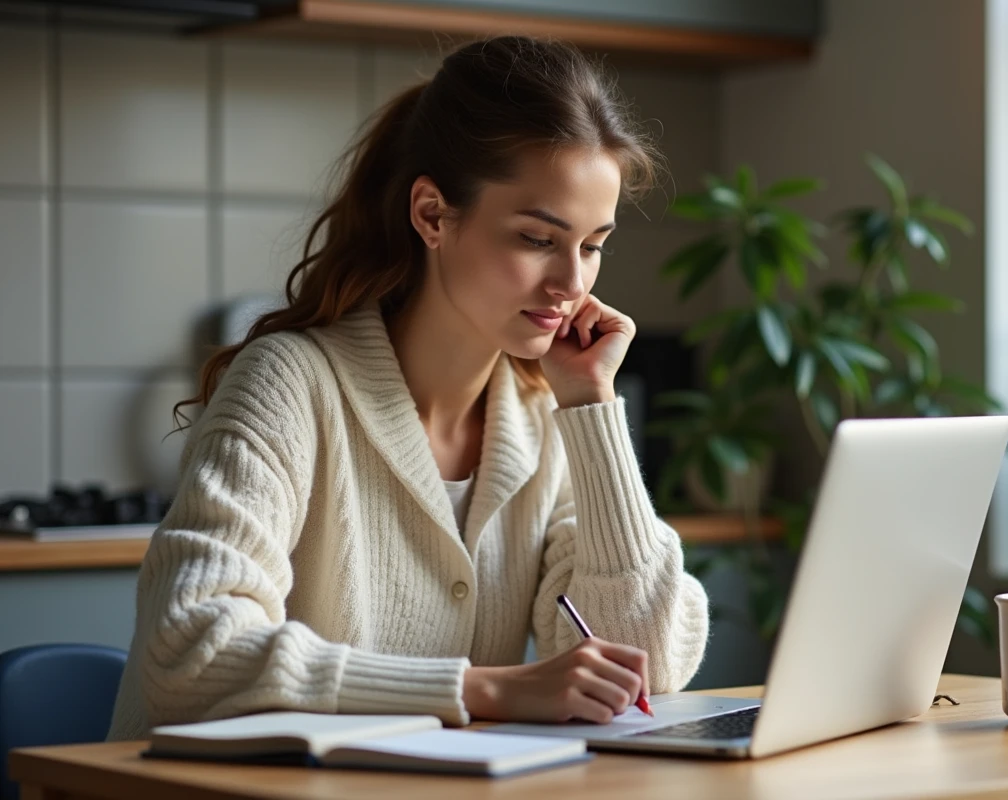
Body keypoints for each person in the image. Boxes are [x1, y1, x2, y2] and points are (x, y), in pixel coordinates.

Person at [106, 35, 709, 741]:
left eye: (592, 245)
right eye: (536, 239)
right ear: (431, 215)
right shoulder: (290, 385)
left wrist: (592, 406)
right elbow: (188, 653)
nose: (572, 284)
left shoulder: (546, 416)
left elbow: (651, 664)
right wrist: (479, 689)